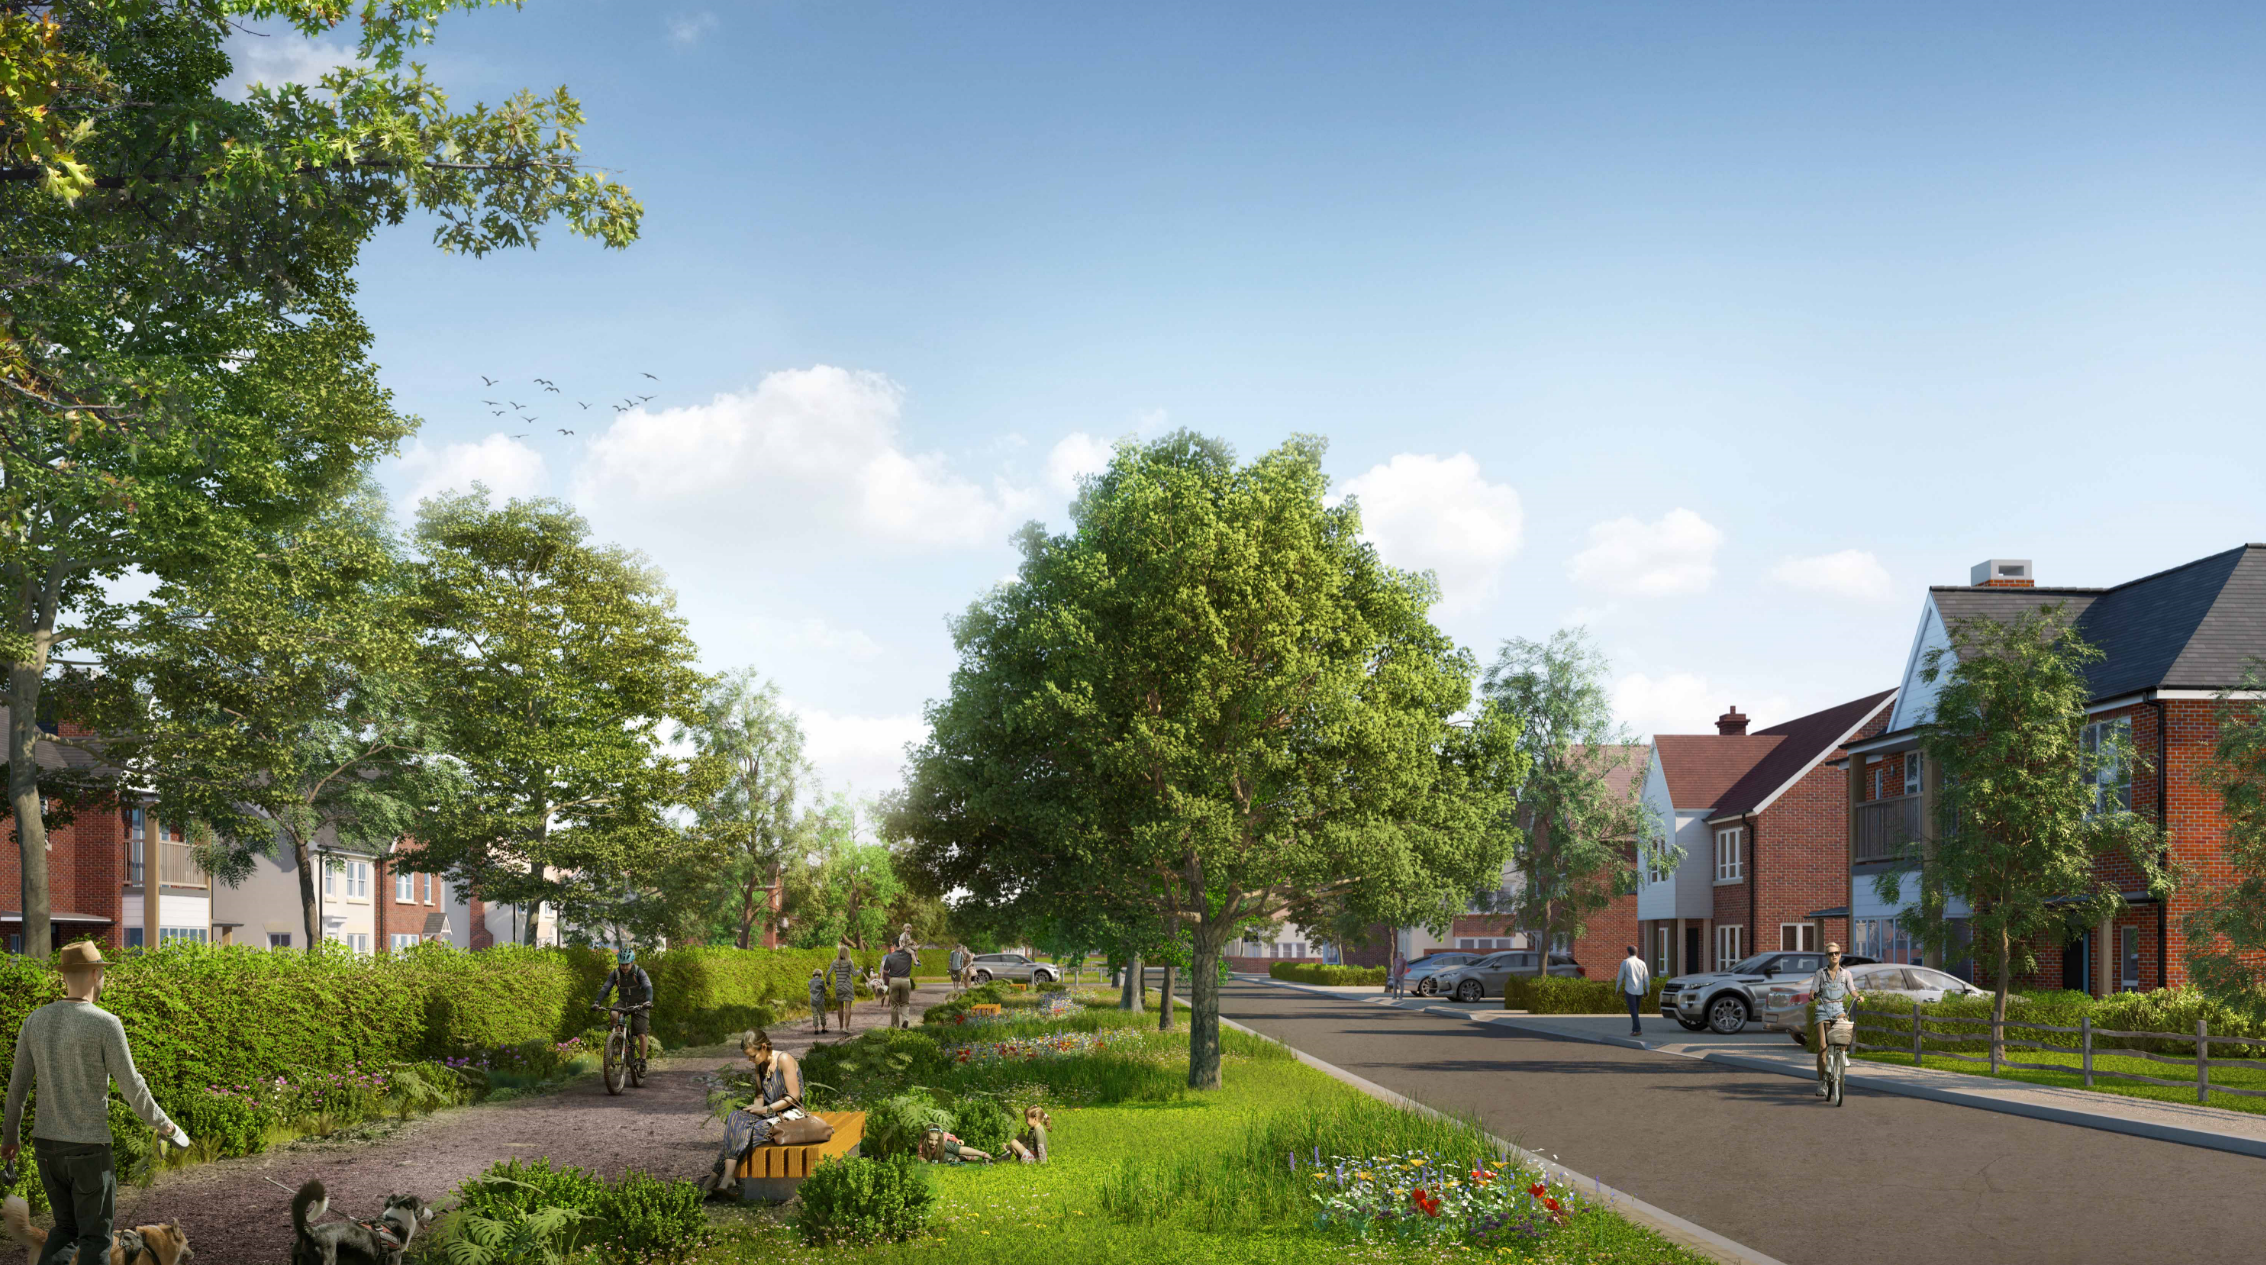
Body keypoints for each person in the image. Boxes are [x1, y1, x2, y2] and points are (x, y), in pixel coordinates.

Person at [4, 942, 190, 1265]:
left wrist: (10, 1138)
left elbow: (17, 1088)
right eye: (102, 972)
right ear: (95, 973)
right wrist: (167, 1126)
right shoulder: (106, 1024)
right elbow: (133, 1087)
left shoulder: (34, 1021)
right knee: (95, 1239)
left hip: (46, 1149)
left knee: (65, 1230)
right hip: (89, 1151)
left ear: (65, 976)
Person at [697, 1029, 803, 1197]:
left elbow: (794, 1096)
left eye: (753, 1056)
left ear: (763, 1047)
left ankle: (714, 1179)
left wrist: (766, 1109)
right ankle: (727, 1178)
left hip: (790, 1116)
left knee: (743, 1133)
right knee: (735, 1118)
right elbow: (759, 1096)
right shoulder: (759, 1065)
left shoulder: (784, 1059)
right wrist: (754, 1110)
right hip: (769, 1116)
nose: (750, 1060)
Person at [1808, 942, 1863, 1097]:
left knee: (1845, 1028)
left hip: (1838, 1009)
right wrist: (1812, 995)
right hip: (1823, 1009)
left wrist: (1858, 996)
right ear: (1827, 956)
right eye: (1831, 953)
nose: (1834, 956)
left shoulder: (1846, 974)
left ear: (1840, 955)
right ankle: (1821, 1083)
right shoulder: (1820, 973)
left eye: (1836, 953)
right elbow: (1813, 990)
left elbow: (1852, 990)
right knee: (1823, 1046)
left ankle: (1843, 1056)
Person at [592, 947, 655, 1069]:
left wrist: (648, 1001)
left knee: (641, 1035)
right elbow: (606, 988)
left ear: (632, 962)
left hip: (640, 1004)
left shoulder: (639, 972)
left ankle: (643, 1061)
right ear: (619, 963)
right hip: (623, 1002)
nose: (625, 967)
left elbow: (648, 987)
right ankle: (620, 1043)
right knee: (614, 1014)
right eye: (622, 964)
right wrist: (597, 1002)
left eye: (627, 964)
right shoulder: (615, 974)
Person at [1617, 945, 1651, 1038]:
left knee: (1633, 1011)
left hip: (1630, 990)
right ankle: (1635, 1029)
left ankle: (1637, 1030)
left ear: (1628, 952)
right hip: (1640, 991)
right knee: (1635, 1011)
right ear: (1636, 952)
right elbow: (1646, 978)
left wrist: (1617, 989)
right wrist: (1647, 989)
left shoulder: (1625, 962)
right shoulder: (1642, 963)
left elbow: (1620, 978)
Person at [882, 941, 916, 1029]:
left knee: (894, 1004)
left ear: (894, 945)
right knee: (905, 1002)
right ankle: (905, 1019)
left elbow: (885, 971)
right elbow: (915, 953)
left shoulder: (890, 957)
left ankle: (895, 1026)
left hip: (894, 980)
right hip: (905, 980)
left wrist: (891, 973)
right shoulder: (908, 955)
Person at [830, 945, 858, 1033]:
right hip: (848, 987)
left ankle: (841, 1027)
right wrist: (860, 970)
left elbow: (828, 974)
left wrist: (828, 982)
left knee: (840, 1008)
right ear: (847, 953)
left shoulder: (834, 962)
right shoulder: (849, 962)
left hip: (839, 987)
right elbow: (855, 974)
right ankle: (846, 1027)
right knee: (848, 1008)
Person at [807, 967, 829, 1034]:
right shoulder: (821, 981)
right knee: (822, 1014)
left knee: (815, 1015)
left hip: (812, 1001)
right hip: (820, 1001)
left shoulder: (809, 982)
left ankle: (816, 1029)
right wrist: (828, 986)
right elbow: (824, 991)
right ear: (820, 974)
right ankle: (823, 1028)